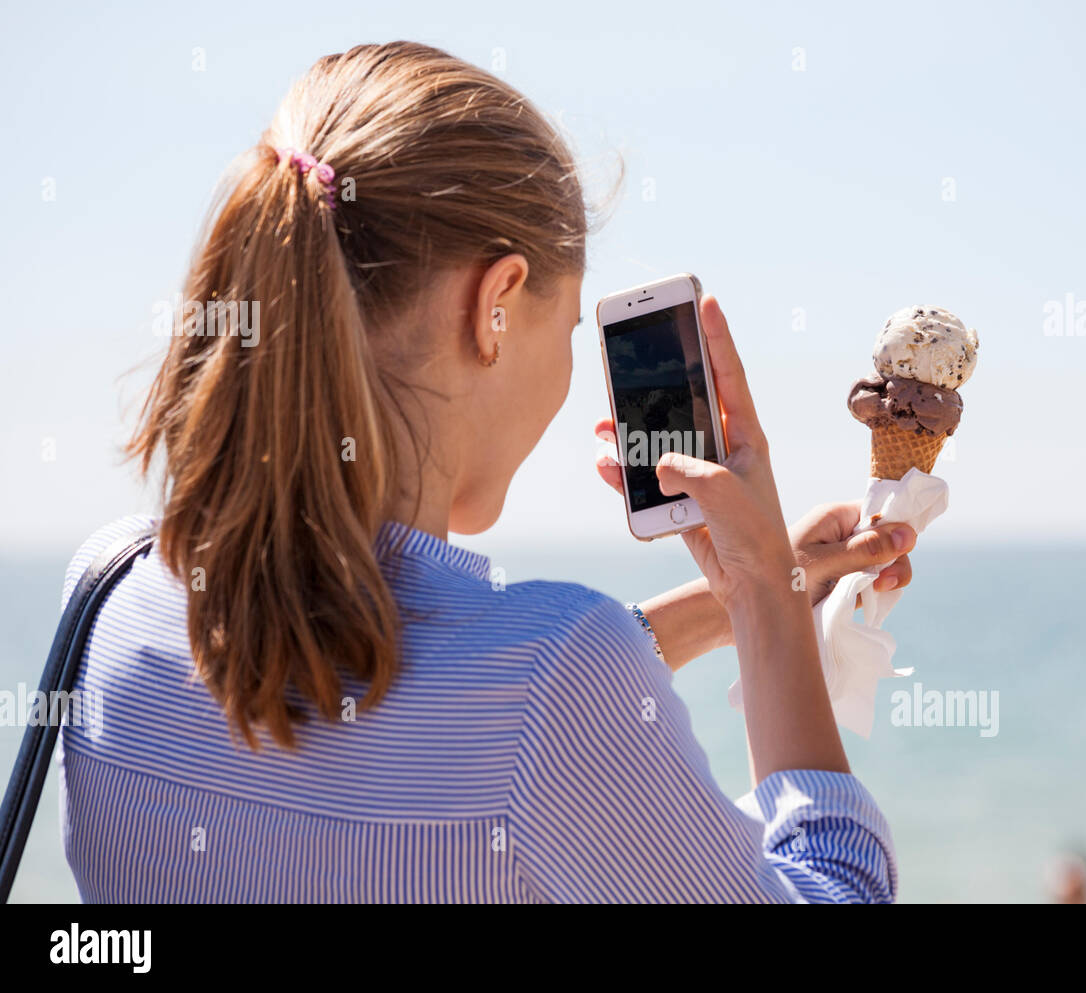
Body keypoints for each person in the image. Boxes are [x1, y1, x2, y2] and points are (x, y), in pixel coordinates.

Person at [59, 41, 917, 903]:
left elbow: (422, 693)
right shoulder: (558, 680)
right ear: (493, 306)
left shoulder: (108, 597)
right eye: (572, 326)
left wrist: (724, 604)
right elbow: (829, 885)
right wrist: (768, 597)